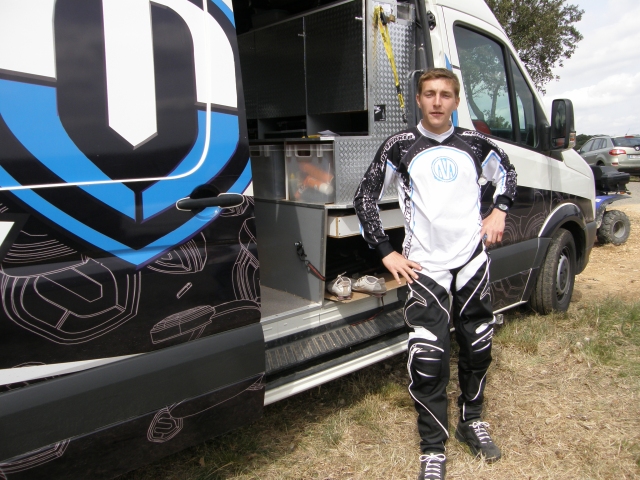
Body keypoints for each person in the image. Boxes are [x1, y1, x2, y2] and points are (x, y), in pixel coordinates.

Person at [353, 68, 517, 479]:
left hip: (471, 261)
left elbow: (509, 174)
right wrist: (386, 251)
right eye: (429, 94)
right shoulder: (400, 145)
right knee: (428, 357)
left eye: (445, 94)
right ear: (419, 100)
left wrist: (499, 210)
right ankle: (432, 447)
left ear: (456, 101)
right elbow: (365, 196)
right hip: (425, 267)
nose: (438, 101)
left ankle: (471, 421)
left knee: (478, 345)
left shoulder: (476, 143)